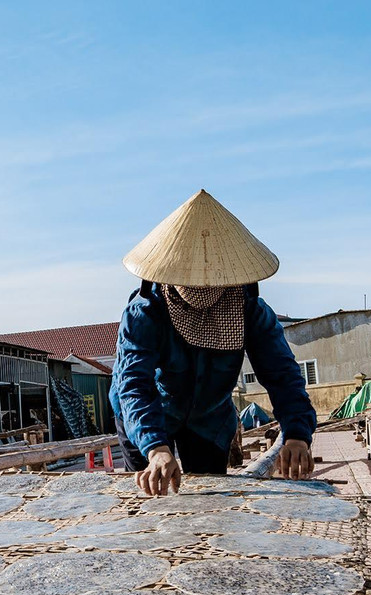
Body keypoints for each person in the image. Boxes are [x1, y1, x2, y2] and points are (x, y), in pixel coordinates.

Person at [109, 189, 317, 496]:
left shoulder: (249, 311)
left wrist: (297, 435)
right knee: (150, 499)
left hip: (209, 416)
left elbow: (282, 375)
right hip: (148, 416)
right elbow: (134, 384)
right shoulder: (145, 312)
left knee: (209, 501)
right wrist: (156, 448)